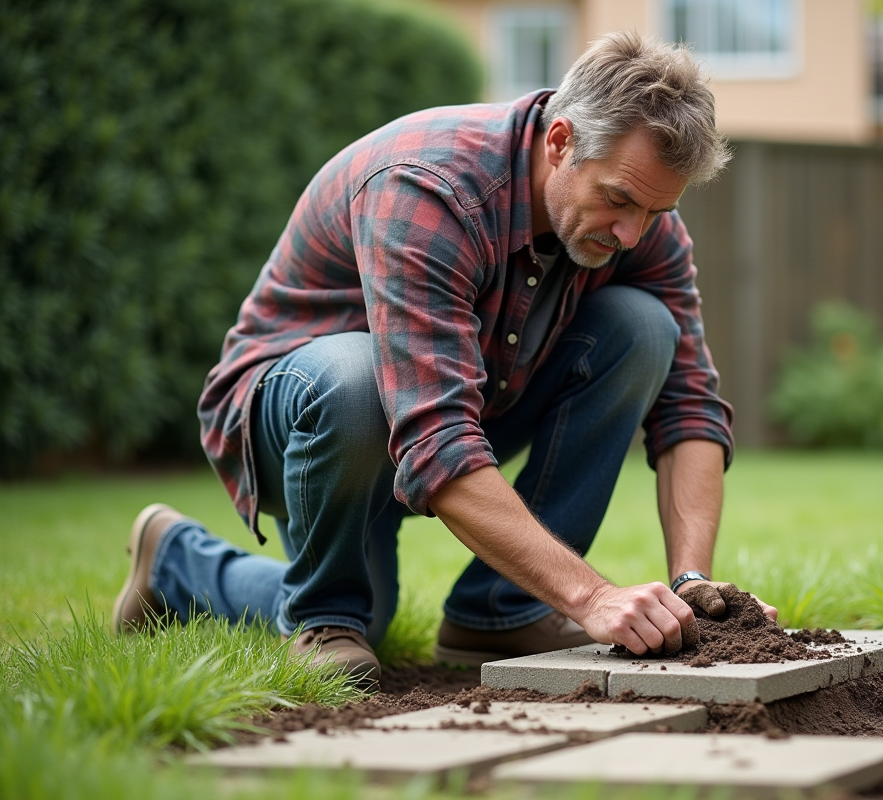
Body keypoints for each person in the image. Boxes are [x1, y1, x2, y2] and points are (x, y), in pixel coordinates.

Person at [112, 31, 776, 687]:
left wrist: (694, 584)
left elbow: (689, 401)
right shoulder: (429, 186)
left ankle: (500, 611)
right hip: (307, 416)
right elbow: (436, 436)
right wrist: (589, 596)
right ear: (560, 142)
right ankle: (190, 567)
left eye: (657, 210)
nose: (633, 232)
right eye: (620, 200)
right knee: (355, 578)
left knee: (645, 328)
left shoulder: (639, 219)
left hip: (453, 404)